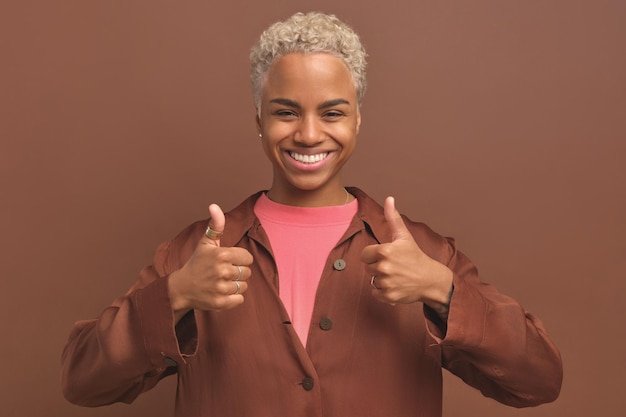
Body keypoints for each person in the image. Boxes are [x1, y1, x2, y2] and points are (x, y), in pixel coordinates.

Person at [61, 11, 562, 417]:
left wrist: (443, 291)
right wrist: (174, 297)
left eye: (332, 112)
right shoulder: (196, 252)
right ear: (257, 118)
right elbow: (83, 381)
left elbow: (538, 381)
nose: (307, 134)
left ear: (358, 118)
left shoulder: (424, 252)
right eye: (285, 111)